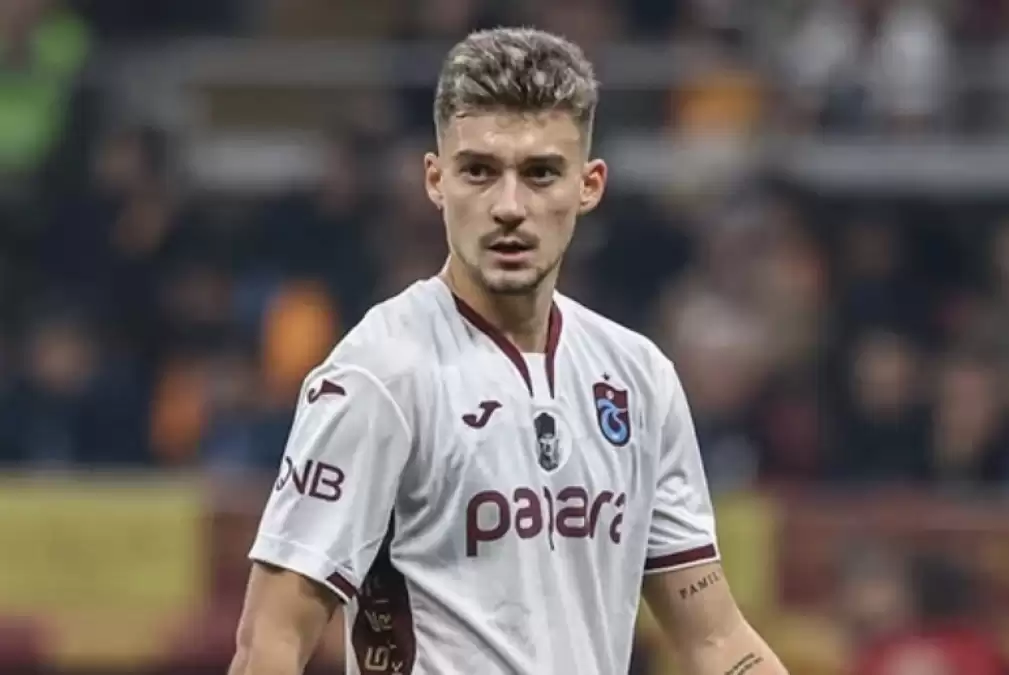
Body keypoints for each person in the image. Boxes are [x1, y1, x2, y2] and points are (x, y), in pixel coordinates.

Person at [228, 27, 788, 675]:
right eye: (479, 172)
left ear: (589, 185)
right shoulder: (378, 374)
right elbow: (268, 641)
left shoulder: (638, 378)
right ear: (436, 180)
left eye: (540, 173)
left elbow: (716, 639)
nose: (509, 207)